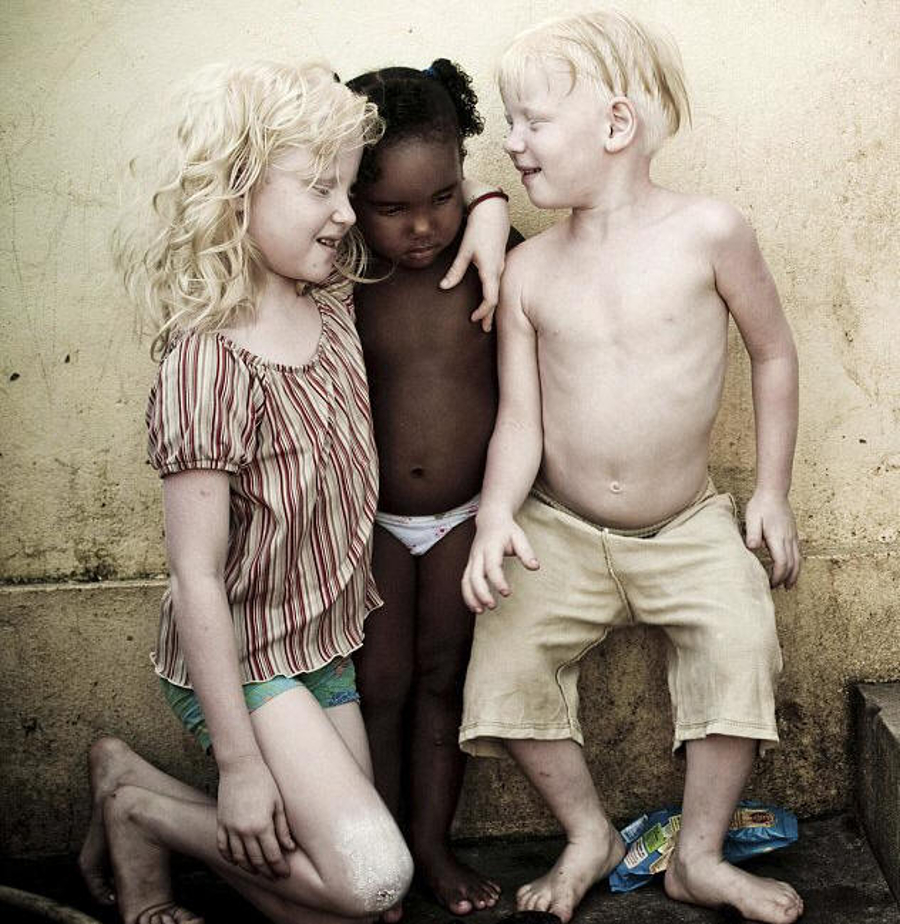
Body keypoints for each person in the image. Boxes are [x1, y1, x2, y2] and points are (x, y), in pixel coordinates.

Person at [460, 11, 803, 924]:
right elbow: (520, 421)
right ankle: (588, 834)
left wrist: (770, 491)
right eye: (507, 119)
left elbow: (773, 353)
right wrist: (498, 517)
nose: (511, 140)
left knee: (742, 639)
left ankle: (697, 855)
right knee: (504, 654)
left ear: (615, 127)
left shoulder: (710, 232)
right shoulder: (531, 272)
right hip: (560, 529)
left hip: (688, 523)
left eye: (531, 121)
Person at [78, 60, 418, 924]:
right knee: (372, 881)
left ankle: (132, 787)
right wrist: (240, 766)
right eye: (319, 187)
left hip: (320, 651)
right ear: (235, 193)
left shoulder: (331, 297)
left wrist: (490, 214)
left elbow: (452, 198)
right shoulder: (209, 363)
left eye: (347, 186)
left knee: (359, 910)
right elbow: (196, 577)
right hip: (245, 659)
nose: (346, 211)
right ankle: (137, 808)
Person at [345, 60, 520, 918]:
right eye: (391, 208)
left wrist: (488, 207)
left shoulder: (493, 256)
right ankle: (376, 853)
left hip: (463, 519)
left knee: (444, 682)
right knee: (378, 687)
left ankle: (430, 846)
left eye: (443, 198)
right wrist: (480, 202)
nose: (421, 226)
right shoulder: (337, 270)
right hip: (369, 523)